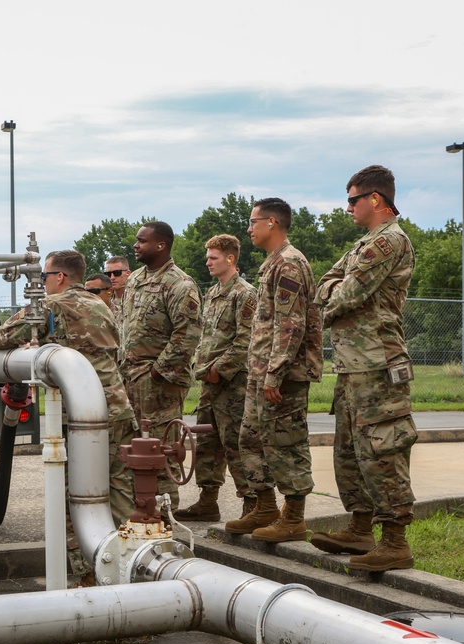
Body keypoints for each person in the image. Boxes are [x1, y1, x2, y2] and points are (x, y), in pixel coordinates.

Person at [0, 249, 137, 583]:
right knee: (120, 493)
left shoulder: (53, 307)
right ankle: (130, 569)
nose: (41, 284)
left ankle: (89, 573)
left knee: (74, 497)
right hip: (116, 408)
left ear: (59, 277)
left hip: (79, 417)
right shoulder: (102, 304)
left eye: (43, 277)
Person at [311, 165, 418, 572]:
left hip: (378, 363)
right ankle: (359, 528)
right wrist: (334, 290)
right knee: (350, 453)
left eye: (353, 200)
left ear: (376, 199)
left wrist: (334, 292)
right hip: (354, 365)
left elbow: (345, 295)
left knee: (382, 451)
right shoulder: (364, 243)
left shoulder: (389, 241)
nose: (348, 208)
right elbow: (329, 283)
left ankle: (394, 541)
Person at [223, 198, 322, 542]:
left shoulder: (290, 264)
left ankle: (293, 517)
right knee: (250, 438)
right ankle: (264, 507)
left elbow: (291, 324)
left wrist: (275, 373)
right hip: (260, 371)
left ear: (272, 223)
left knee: (286, 444)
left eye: (253, 222)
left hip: (282, 377)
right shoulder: (272, 263)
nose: (248, 229)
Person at [174, 234, 257, 522]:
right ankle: (208, 501)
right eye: (208, 257)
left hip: (232, 382)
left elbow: (245, 341)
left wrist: (218, 369)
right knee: (208, 444)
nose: (207, 262)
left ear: (230, 258)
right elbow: (208, 336)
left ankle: (252, 503)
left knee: (236, 443)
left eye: (213, 257)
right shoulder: (213, 293)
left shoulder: (245, 294)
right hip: (210, 381)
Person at [118, 220, 202, 508]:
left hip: (159, 382)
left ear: (160, 245)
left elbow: (187, 334)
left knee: (160, 446)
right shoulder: (135, 279)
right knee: (134, 446)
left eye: (142, 241)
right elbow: (125, 324)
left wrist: (157, 372)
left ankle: (166, 512)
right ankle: (139, 506)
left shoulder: (180, 283)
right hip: (130, 376)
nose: (135, 245)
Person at [104, 255, 132, 321]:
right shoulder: (104, 300)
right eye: (108, 274)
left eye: (117, 273)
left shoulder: (137, 298)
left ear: (128, 273)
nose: (112, 277)